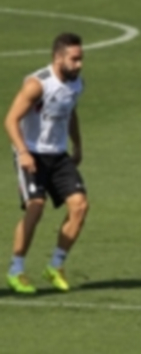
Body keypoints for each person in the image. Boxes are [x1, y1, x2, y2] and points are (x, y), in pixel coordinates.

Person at [4, 32, 89, 294]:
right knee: (36, 207)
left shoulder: (77, 84)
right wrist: (23, 152)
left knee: (80, 206)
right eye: (74, 59)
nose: (79, 64)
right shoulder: (37, 85)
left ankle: (55, 266)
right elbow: (10, 120)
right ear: (58, 58)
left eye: (81, 59)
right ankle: (16, 270)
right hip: (31, 152)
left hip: (58, 154)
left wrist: (77, 144)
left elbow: (70, 111)